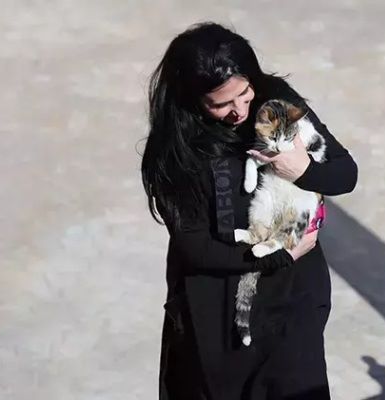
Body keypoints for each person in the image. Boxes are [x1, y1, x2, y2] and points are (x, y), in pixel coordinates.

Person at [140, 22, 358, 400]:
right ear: (191, 99)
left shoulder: (276, 103)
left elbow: (345, 173)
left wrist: (302, 170)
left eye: (244, 94)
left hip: (293, 297)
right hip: (217, 310)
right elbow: (195, 248)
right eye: (220, 104)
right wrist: (281, 256)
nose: (239, 110)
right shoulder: (175, 152)